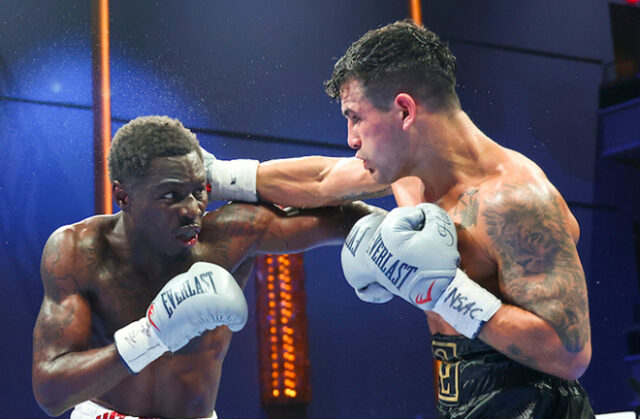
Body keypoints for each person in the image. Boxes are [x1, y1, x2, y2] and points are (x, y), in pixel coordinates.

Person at [203, 20, 595, 418]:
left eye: (355, 117)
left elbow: (570, 354)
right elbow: (322, 180)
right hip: (461, 402)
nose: (351, 138)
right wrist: (212, 177)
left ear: (404, 111)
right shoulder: (408, 171)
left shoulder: (513, 200)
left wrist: (444, 291)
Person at [31, 116, 378, 419]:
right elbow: (50, 393)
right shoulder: (79, 251)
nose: (191, 210)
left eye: (199, 192)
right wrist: (150, 336)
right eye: (171, 195)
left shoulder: (232, 236)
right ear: (123, 197)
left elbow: (344, 209)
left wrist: (389, 232)